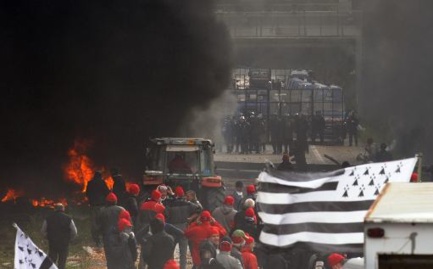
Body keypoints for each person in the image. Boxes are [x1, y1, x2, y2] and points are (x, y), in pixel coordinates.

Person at [166, 186, 201, 269]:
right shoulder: (188, 203)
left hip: (172, 230)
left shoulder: (170, 203)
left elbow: (166, 214)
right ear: (183, 195)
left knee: (171, 252)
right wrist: (191, 218)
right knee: (183, 253)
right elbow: (199, 209)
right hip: (184, 230)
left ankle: (171, 267)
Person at [41, 203, 77, 269]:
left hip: (52, 243)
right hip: (64, 243)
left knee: (51, 261)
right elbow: (74, 231)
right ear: (63, 209)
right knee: (62, 262)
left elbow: (43, 231)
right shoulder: (68, 218)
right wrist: (70, 239)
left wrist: (47, 237)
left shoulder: (48, 218)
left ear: (55, 209)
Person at [96, 192, 126, 269]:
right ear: (116, 201)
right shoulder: (122, 209)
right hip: (120, 237)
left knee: (110, 259)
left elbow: (97, 227)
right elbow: (128, 224)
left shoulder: (102, 211)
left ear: (107, 202)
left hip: (107, 239)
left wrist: (98, 240)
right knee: (121, 258)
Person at [85, 171, 110, 247]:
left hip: (93, 206)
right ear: (100, 176)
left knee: (94, 223)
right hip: (101, 206)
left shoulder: (90, 183)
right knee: (102, 222)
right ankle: (102, 239)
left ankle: (96, 239)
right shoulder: (102, 182)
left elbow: (87, 193)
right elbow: (107, 193)